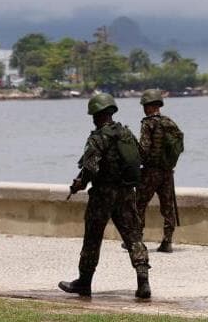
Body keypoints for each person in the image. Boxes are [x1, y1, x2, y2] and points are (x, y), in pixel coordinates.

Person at [58, 93, 150, 299]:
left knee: (93, 238)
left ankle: (84, 282)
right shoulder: (126, 133)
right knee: (133, 236)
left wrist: (80, 183)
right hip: (126, 193)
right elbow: (141, 157)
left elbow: (90, 168)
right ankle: (143, 281)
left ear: (97, 115)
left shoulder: (97, 138)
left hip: (103, 195)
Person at [136, 89, 184, 253]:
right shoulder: (169, 122)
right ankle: (167, 241)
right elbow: (179, 146)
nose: (144, 109)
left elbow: (144, 148)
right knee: (168, 207)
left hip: (150, 172)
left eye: (145, 106)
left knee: (139, 204)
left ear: (150, 106)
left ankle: (137, 239)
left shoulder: (148, 123)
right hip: (167, 172)